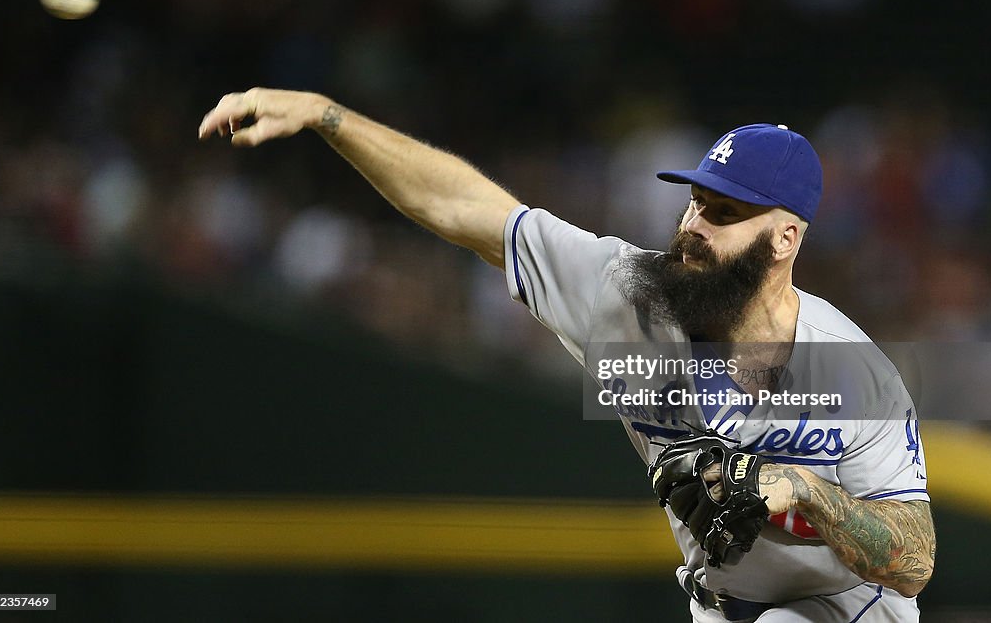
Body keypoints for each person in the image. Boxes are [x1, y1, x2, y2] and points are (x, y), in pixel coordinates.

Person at [199, 89, 935, 622]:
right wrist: (330, 117)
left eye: (726, 213)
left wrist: (807, 490)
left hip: (847, 608)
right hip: (719, 605)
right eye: (695, 201)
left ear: (786, 239)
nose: (694, 226)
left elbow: (914, 560)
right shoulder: (630, 302)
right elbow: (467, 209)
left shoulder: (850, 368)